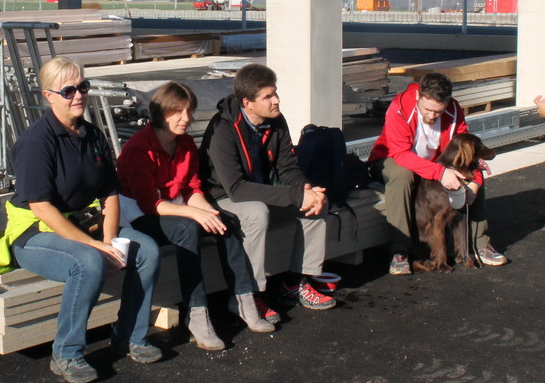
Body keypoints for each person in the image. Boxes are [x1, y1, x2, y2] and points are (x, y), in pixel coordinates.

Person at [8, 56, 162, 383]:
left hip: (83, 223)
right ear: (48, 96)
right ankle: (66, 352)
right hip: (34, 233)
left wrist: (109, 241)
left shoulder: (92, 134)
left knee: (147, 250)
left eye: (83, 87)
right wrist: (97, 248)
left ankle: (129, 335)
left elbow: (110, 193)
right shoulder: (36, 141)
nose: (78, 95)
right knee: (88, 262)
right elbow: (41, 208)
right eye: (68, 90)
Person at [116, 82, 274, 351]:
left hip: (173, 206)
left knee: (225, 221)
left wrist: (209, 212)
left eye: (189, 111)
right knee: (187, 228)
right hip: (138, 214)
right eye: (177, 112)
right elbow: (149, 203)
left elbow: (191, 188)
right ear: (161, 113)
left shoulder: (186, 143)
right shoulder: (138, 148)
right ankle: (197, 313)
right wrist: (194, 213)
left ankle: (242, 297)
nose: (186, 118)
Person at [198, 63, 336, 312]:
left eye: (275, 92)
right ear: (248, 103)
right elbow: (236, 189)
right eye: (268, 96)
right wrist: (295, 195)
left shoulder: (276, 121)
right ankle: (250, 294)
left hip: (259, 191)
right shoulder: (223, 129)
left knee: (317, 203)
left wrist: (306, 189)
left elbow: (288, 168)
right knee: (257, 213)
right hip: (222, 198)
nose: (276, 100)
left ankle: (295, 282)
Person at [368, 73, 507, 275]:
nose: (432, 115)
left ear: (447, 102)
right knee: (403, 173)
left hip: (432, 164)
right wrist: (441, 173)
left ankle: (480, 244)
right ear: (418, 96)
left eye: (438, 111)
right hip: (391, 160)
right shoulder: (399, 107)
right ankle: (399, 250)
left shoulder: (453, 109)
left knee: (474, 172)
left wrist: (475, 181)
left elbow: (466, 150)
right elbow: (401, 154)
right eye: (427, 109)